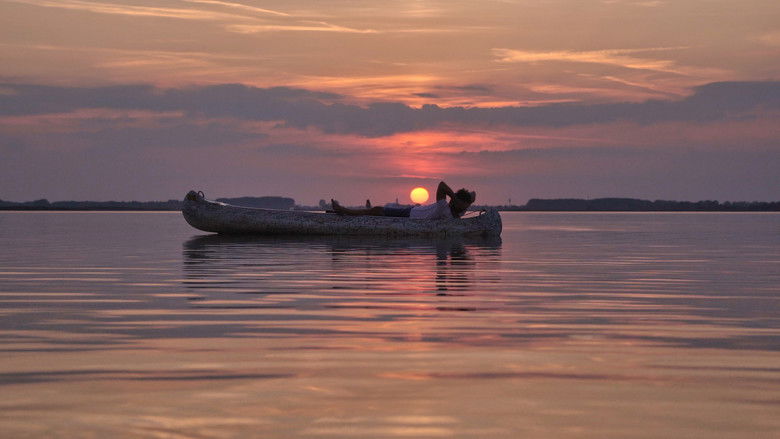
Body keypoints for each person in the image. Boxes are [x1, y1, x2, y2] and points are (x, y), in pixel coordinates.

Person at [331, 181, 476, 220]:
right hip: (411, 212)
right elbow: (442, 185)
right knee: (377, 210)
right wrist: (456, 199)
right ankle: (344, 210)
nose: (466, 206)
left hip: (411, 214)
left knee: (377, 210)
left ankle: (344, 210)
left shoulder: (450, 210)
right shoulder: (449, 209)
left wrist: (456, 199)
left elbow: (442, 185)